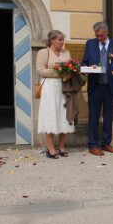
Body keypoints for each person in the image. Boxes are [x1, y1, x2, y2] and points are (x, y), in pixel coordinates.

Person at [82, 22, 113, 156]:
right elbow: (85, 62)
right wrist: (86, 69)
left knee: (108, 116)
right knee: (94, 116)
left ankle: (106, 143)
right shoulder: (90, 44)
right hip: (95, 86)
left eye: (101, 35)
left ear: (107, 33)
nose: (99, 38)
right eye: (97, 36)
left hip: (111, 86)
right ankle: (93, 145)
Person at [36, 30, 74, 159]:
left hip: (64, 87)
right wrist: (58, 71)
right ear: (52, 40)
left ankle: (62, 147)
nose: (62, 42)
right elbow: (40, 70)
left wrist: (69, 72)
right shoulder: (43, 52)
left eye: (63, 39)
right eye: (60, 40)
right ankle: (50, 148)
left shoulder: (66, 52)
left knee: (64, 116)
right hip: (50, 87)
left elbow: (70, 68)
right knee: (51, 115)